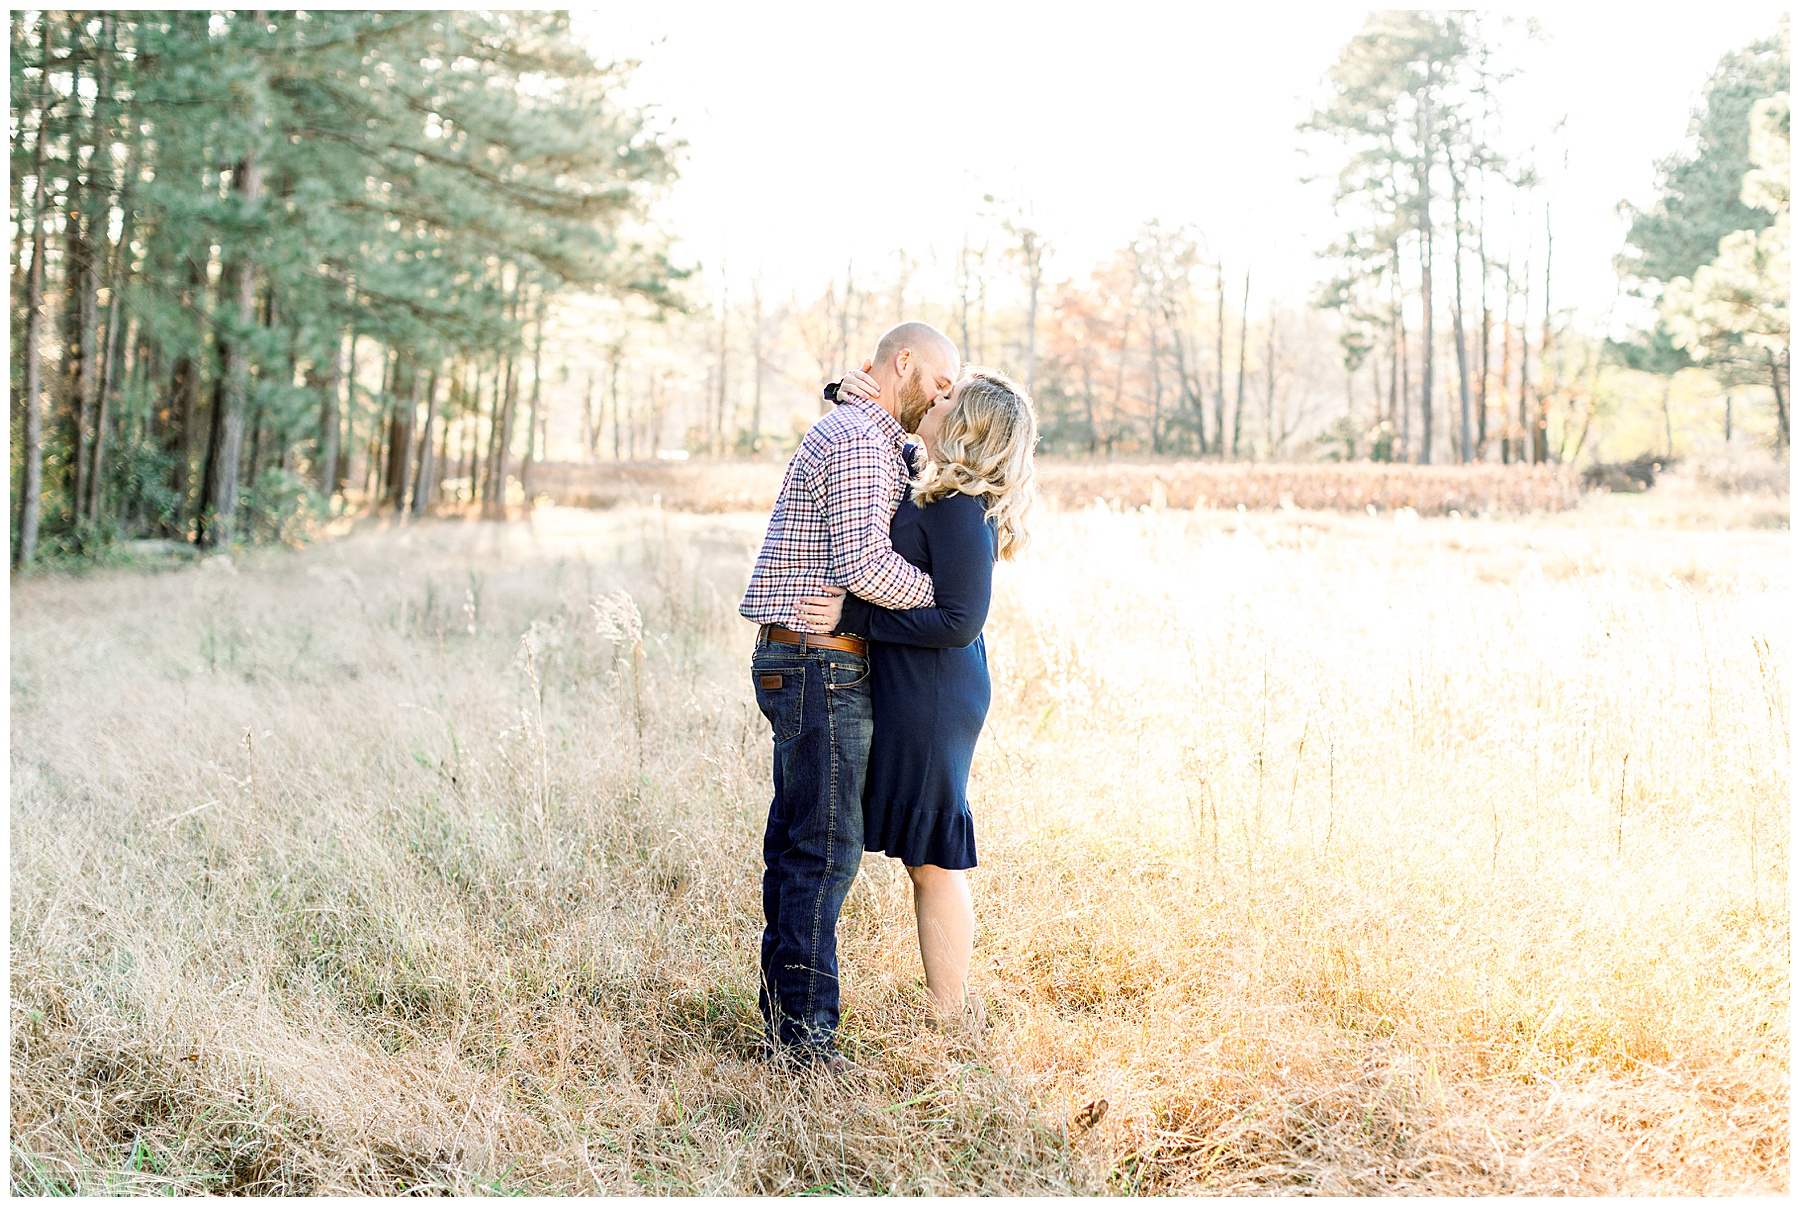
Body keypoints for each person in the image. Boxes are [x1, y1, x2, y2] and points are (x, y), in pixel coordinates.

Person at [739, 320, 961, 1072]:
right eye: (939, 382)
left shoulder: (865, 430)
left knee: (803, 846)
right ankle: (802, 1047)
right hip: (818, 660)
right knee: (822, 851)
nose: (945, 397)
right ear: (905, 363)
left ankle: (786, 1022)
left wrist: (848, 387)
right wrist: (948, 603)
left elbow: (911, 463)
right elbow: (863, 561)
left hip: (803, 658)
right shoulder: (860, 439)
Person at [794, 368, 1038, 1022]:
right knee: (920, 853)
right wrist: (846, 395)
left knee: (931, 857)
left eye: (952, 399)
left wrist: (852, 619)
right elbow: (890, 443)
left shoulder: (962, 508)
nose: (938, 397)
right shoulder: (938, 490)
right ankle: (947, 1002)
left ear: (971, 425)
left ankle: (948, 1013)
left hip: (937, 694)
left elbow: (961, 620)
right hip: (920, 685)